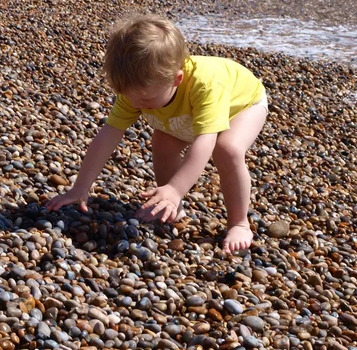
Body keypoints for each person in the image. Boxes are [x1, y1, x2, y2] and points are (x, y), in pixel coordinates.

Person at [46, 15, 267, 254]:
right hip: (189, 114)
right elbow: (108, 134)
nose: (137, 104)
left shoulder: (205, 86)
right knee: (162, 141)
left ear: (177, 79)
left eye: (146, 100)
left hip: (243, 105)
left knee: (227, 150)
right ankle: (170, 206)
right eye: (130, 97)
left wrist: (177, 187)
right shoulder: (138, 91)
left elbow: (205, 141)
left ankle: (239, 222)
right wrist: (80, 187)